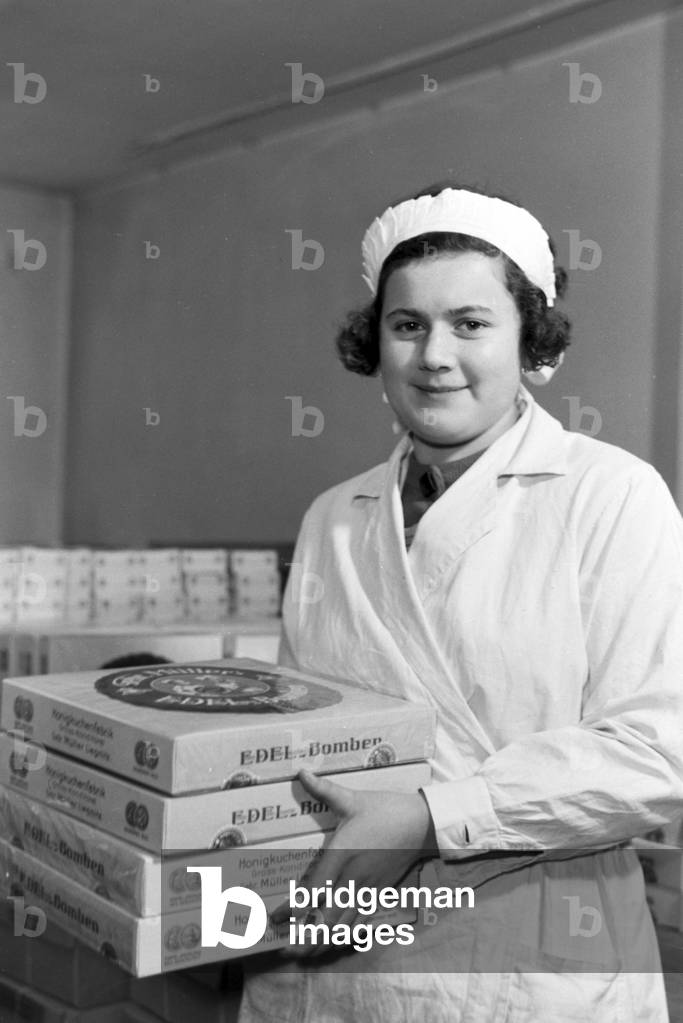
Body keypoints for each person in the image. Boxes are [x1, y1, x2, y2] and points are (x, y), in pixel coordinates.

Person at [238, 183, 683, 1022]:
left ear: (530, 344)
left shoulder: (611, 493)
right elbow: (304, 726)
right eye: (407, 325)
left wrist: (426, 816)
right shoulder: (335, 514)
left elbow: (657, 753)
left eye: (470, 323)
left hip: (530, 951)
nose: (434, 354)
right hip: (338, 947)